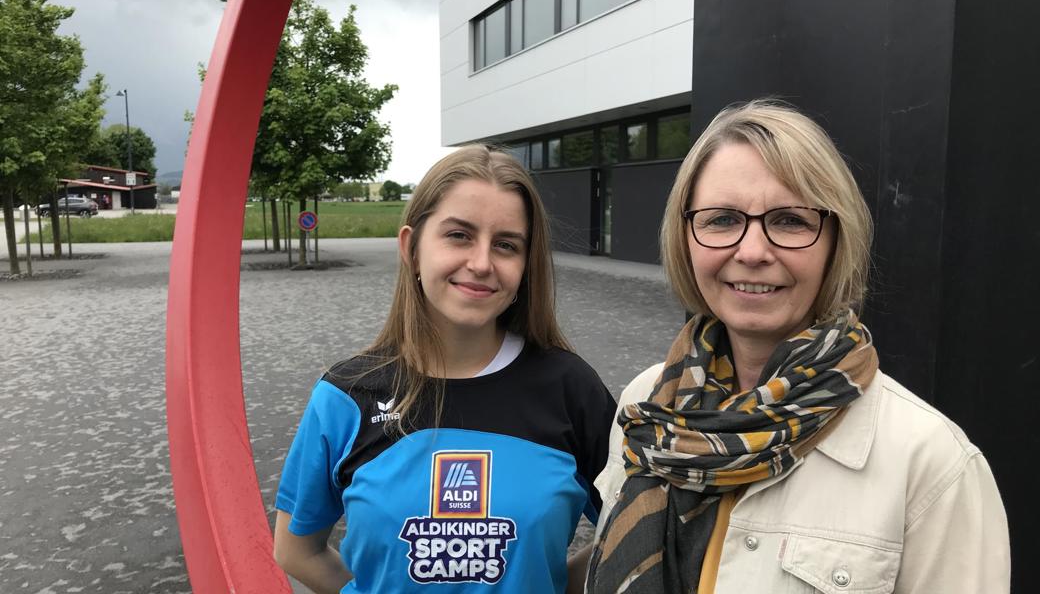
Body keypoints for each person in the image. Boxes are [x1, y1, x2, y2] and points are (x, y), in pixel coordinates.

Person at [586, 100, 1010, 593]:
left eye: (789, 220)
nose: (751, 251)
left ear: (835, 240)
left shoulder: (930, 462)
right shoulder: (647, 401)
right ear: (686, 237)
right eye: (722, 219)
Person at [273, 145, 616, 593]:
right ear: (411, 248)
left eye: (506, 245)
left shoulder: (572, 389)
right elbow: (296, 549)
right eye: (459, 235)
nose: (481, 263)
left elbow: (631, 528)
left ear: (526, 266)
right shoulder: (345, 395)